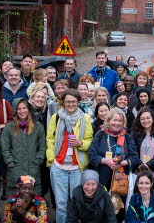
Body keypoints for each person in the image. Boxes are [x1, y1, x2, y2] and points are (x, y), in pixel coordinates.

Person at [46, 89, 93, 223]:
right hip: (58, 165)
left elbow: (90, 140)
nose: (71, 104)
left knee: (76, 203)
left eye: (73, 101)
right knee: (61, 205)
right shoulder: (56, 117)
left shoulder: (85, 118)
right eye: (68, 101)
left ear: (78, 102)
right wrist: (51, 158)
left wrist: (80, 143)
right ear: (63, 103)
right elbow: (49, 139)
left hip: (76, 166)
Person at [87, 108, 140, 200]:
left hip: (121, 181)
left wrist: (121, 163)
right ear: (108, 120)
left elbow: (134, 157)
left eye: (120, 121)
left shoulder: (127, 137)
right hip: (102, 178)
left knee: (119, 209)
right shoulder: (100, 135)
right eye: (114, 120)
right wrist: (106, 161)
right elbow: (91, 154)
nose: (117, 123)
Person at [1, 99, 46, 197]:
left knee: (34, 202)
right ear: (15, 111)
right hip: (15, 169)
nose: (22, 111)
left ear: (29, 109)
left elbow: (42, 147)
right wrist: (11, 163)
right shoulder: (9, 128)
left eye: (24, 108)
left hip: (33, 168)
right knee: (14, 203)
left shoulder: (37, 126)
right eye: (19, 109)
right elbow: (5, 149)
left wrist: (38, 161)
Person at [132, 109, 154, 180]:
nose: (146, 121)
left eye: (148, 118)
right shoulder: (134, 134)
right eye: (142, 119)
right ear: (139, 121)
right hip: (137, 170)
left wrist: (148, 165)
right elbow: (133, 151)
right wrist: (141, 165)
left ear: (153, 119)